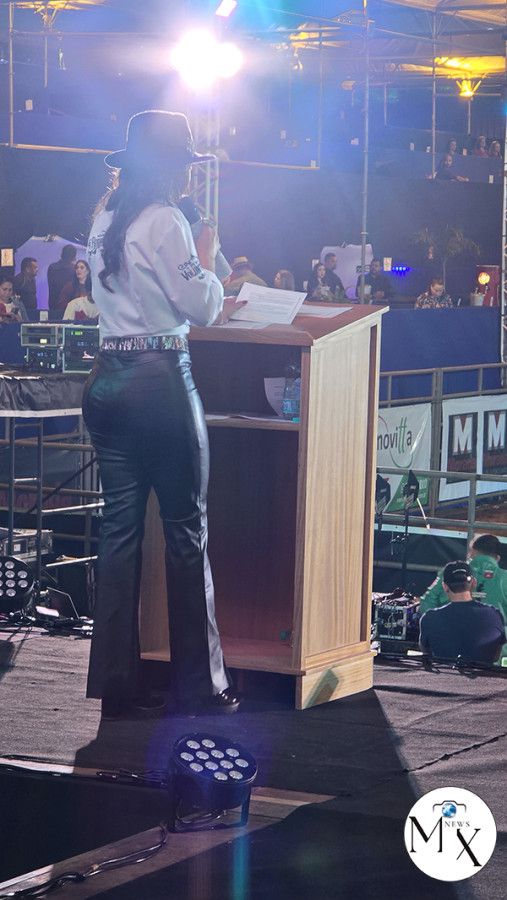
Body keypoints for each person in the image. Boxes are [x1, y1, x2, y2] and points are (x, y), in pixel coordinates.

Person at [84, 109, 246, 720]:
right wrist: (205, 255)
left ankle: (115, 687)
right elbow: (202, 305)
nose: (188, 177)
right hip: (160, 383)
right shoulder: (167, 220)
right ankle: (200, 689)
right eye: (184, 166)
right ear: (172, 170)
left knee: (118, 533)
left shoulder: (104, 218)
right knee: (185, 531)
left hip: (107, 381)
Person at [419, 560, 505, 665]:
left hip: (444, 674)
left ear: (445, 586)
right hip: (483, 674)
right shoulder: (494, 615)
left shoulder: (429, 618)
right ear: (474, 583)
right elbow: (495, 657)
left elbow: (426, 653)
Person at [47, 244, 77, 313]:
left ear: (62, 254)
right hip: (68, 306)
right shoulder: (73, 269)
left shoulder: (52, 267)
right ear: (73, 256)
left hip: (53, 304)